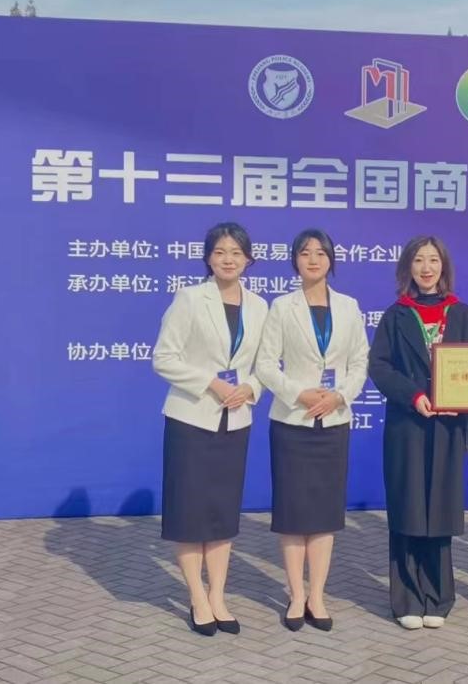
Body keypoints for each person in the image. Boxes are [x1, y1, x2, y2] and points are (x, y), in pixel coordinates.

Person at [151, 222, 268, 636]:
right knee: (190, 512)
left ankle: (218, 596)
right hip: (192, 418)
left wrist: (250, 388)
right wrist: (211, 383)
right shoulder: (189, 298)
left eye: (236, 252)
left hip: (235, 420)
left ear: (248, 259)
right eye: (220, 252)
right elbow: (164, 358)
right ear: (208, 258)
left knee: (221, 513)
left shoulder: (260, 306)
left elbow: (265, 364)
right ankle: (197, 598)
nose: (228, 259)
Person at [255, 228, 369, 632]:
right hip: (293, 421)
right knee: (293, 513)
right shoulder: (281, 307)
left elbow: (360, 362)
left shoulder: (349, 307)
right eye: (305, 253)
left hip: (334, 422)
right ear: (295, 261)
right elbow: (265, 364)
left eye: (321, 253)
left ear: (331, 260)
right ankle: (295, 594)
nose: (313, 259)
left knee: (323, 514)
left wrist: (340, 396)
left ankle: (317, 595)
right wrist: (297, 394)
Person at [368, 235, 468, 630]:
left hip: (448, 428)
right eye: (419, 260)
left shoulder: (462, 315)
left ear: (444, 266)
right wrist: (414, 395)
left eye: (434, 260)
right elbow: (380, 367)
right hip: (408, 426)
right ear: (408, 267)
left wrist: (463, 401)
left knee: (440, 510)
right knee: (407, 508)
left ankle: (438, 597)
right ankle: (406, 598)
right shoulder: (396, 315)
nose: (427, 267)